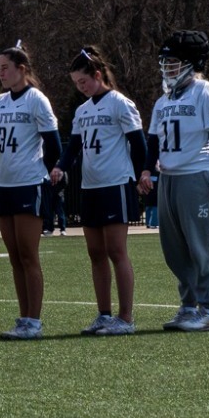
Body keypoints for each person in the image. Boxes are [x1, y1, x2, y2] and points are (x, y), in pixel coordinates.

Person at [0, 42, 62, 340]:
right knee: (14, 255)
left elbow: (54, 144)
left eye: (5, 68)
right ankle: (24, 317)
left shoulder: (37, 100)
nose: (1, 73)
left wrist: (45, 172)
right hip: (5, 185)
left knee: (29, 254)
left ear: (22, 69)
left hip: (29, 183)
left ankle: (35, 320)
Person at [143, 30, 209, 331]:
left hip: (196, 175)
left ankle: (207, 310)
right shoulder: (163, 100)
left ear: (192, 62)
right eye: (165, 61)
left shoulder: (204, 92)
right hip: (168, 177)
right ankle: (188, 305)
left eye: (174, 61)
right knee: (174, 248)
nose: (167, 67)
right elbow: (153, 141)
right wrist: (147, 170)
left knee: (199, 245)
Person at [64, 45, 147, 336]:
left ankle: (126, 317)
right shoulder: (82, 110)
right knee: (95, 252)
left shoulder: (120, 104)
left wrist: (143, 173)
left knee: (115, 250)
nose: (81, 87)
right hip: (91, 187)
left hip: (116, 184)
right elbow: (74, 146)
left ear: (98, 75)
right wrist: (60, 167)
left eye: (83, 81)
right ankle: (103, 314)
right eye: (76, 84)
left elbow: (138, 143)